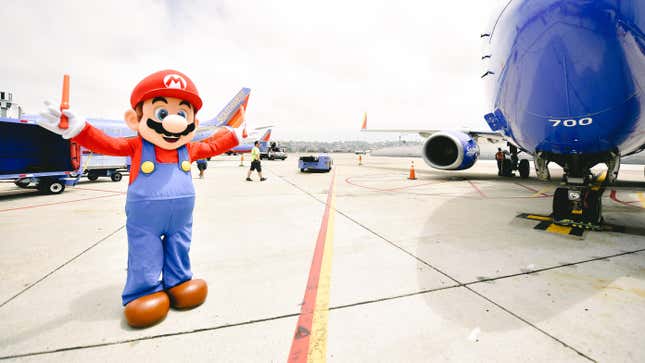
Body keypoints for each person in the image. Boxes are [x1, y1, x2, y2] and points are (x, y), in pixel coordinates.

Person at [37, 70, 242, 328]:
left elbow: (213, 146)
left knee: (180, 246)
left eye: (183, 114)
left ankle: (178, 282)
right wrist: (80, 129)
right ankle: (143, 292)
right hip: (146, 221)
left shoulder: (188, 149)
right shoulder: (136, 147)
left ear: (193, 122)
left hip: (181, 219)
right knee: (145, 252)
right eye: (162, 113)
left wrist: (235, 136)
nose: (175, 123)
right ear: (135, 119)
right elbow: (107, 144)